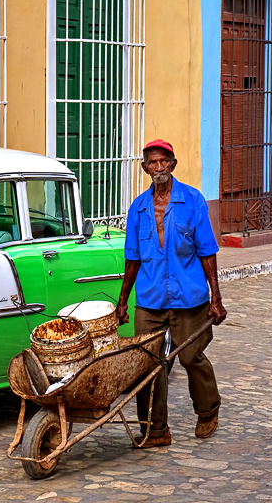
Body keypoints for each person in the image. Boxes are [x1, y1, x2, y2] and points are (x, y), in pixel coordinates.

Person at [115, 139, 227, 447]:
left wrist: (216, 298)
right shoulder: (138, 208)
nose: (159, 167)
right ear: (145, 168)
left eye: (164, 161)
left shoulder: (192, 200)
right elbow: (132, 257)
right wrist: (123, 302)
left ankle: (207, 411)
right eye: (152, 162)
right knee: (147, 366)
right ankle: (155, 430)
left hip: (189, 296)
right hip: (150, 299)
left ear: (173, 164)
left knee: (191, 357)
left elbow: (207, 250)